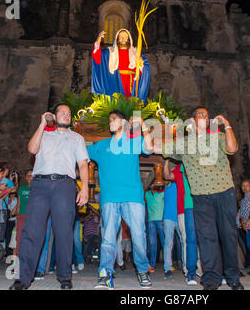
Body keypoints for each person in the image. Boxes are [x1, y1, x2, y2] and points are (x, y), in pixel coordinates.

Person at [159, 106, 243, 290]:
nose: (204, 116)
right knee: (206, 238)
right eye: (200, 114)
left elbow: (232, 148)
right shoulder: (185, 143)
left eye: (206, 114)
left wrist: (227, 125)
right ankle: (211, 279)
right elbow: (164, 149)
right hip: (200, 196)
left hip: (224, 191)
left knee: (228, 235)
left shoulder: (218, 137)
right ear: (193, 121)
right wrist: (166, 127)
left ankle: (232, 277)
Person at [9, 103, 89, 290]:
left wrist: (84, 188)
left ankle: (64, 277)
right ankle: (22, 279)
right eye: (62, 112)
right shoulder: (43, 134)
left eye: (69, 113)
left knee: (64, 232)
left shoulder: (77, 138)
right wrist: (41, 124)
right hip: (40, 185)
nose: (66, 115)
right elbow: (32, 149)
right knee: (32, 231)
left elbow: (83, 164)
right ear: (53, 115)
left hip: (64, 185)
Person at [87, 110, 153, 289]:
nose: (110, 122)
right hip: (109, 198)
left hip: (133, 197)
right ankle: (105, 274)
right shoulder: (102, 145)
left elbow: (149, 147)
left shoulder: (133, 142)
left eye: (114, 119)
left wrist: (143, 124)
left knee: (139, 235)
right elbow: (80, 151)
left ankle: (142, 270)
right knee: (108, 238)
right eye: (109, 120)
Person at [163, 160, 202, 285]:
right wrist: (166, 162)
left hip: (200, 207)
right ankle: (188, 269)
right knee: (186, 239)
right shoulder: (179, 169)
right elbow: (167, 176)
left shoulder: (198, 163)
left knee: (202, 240)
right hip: (183, 209)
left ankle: (201, 269)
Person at [91, 29, 150, 102]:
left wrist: (141, 64)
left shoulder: (136, 53)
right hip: (115, 81)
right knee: (117, 105)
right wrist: (98, 41)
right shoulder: (110, 52)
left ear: (128, 38)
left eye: (125, 37)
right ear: (117, 38)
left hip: (131, 85)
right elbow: (97, 57)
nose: (123, 39)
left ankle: (136, 114)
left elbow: (146, 68)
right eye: (121, 36)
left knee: (134, 107)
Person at [145, 184, 165, 273]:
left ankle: (168, 265)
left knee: (165, 243)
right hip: (151, 221)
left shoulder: (162, 193)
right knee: (153, 244)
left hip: (161, 220)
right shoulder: (147, 194)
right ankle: (152, 265)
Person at [15, 169, 33, 256]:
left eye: (32, 175)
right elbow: (18, 204)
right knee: (19, 237)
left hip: (33, 217)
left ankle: (29, 258)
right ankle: (18, 260)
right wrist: (17, 218)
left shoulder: (38, 189)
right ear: (26, 178)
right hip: (22, 215)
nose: (29, 177)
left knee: (30, 238)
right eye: (28, 175)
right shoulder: (22, 188)